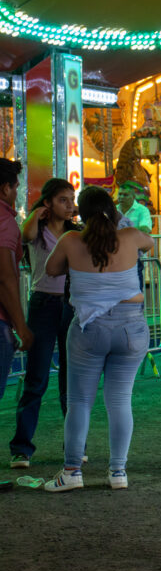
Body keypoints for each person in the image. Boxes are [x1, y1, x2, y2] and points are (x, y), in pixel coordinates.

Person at [43, 187, 153, 492]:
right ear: (113, 210)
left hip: (88, 330)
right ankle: (118, 472)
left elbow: (51, 270)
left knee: (79, 402)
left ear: (82, 212)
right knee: (120, 401)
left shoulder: (71, 240)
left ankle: (72, 471)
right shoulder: (129, 236)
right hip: (131, 327)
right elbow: (152, 244)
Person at [9, 178, 77, 469]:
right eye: (63, 199)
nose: (70, 204)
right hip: (43, 304)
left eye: (71, 199)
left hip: (70, 304)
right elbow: (24, 237)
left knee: (71, 380)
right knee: (37, 378)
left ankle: (74, 445)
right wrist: (37, 214)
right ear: (48, 203)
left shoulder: (76, 233)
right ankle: (22, 448)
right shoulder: (38, 231)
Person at [0, 159, 32, 417]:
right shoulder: (5, 222)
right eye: (16, 187)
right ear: (4, 189)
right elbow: (6, 278)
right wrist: (21, 327)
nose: (17, 193)